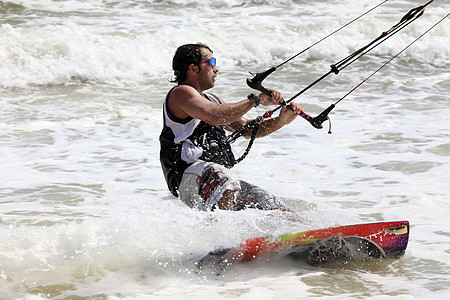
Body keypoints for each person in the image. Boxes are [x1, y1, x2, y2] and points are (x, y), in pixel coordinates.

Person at [160, 43, 303, 212]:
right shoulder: (181, 93)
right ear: (193, 69)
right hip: (186, 175)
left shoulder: (213, 99)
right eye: (211, 62)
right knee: (224, 180)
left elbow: (248, 130)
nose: (217, 68)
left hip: (214, 177)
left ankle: (316, 236)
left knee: (272, 204)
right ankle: (223, 234)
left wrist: (281, 120)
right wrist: (255, 100)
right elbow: (217, 116)